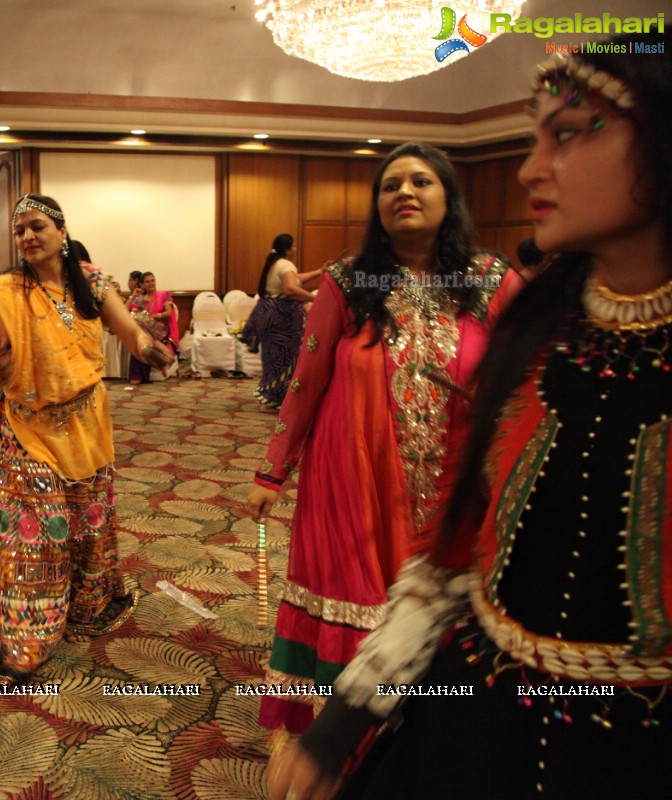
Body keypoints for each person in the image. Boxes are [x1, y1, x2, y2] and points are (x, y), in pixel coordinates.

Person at [268, 35, 672, 800]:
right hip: (478, 711)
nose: (529, 168)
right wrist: (340, 723)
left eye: (567, 133)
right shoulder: (534, 330)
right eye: (532, 137)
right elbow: (454, 551)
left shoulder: (493, 287)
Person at [245, 142, 519, 738]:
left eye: (421, 182)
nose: (405, 193)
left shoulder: (490, 280)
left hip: (458, 489)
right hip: (353, 478)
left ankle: (430, 735)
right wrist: (272, 471)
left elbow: (529, 379)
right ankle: (346, 736)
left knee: (444, 607)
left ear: (449, 197)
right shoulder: (351, 280)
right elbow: (307, 379)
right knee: (360, 596)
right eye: (391, 184)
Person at [0, 194, 175, 682]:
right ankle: (23, 636)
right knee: (39, 531)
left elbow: (130, 334)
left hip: (86, 423)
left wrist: (151, 350)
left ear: (61, 231)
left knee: (87, 521)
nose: (28, 237)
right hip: (28, 428)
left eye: (37, 226)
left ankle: (87, 602)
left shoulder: (93, 281)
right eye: (19, 231)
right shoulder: (5, 291)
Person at [241, 234, 322, 407]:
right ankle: (278, 397)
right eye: (293, 247)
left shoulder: (275, 263)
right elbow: (291, 288)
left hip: (268, 314)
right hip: (280, 317)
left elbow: (295, 279)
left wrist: (319, 272)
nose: (295, 249)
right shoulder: (286, 264)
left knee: (273, 357)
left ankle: (272, 395)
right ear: (287, 249)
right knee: (284, 357)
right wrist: (317, 299)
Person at [128, 271, 179, 384]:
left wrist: (155, 316)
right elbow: (127, 310)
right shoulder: (140, 298)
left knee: (141, 335)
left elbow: (169, 313)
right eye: (147, 282)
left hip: (159, 329)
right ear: (142, 284)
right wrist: (133, 296)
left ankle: (137, 376)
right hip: (145, 329)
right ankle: (140, 375)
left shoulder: (163, 295)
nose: (151, 283)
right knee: (139, 336)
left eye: (153, 280)